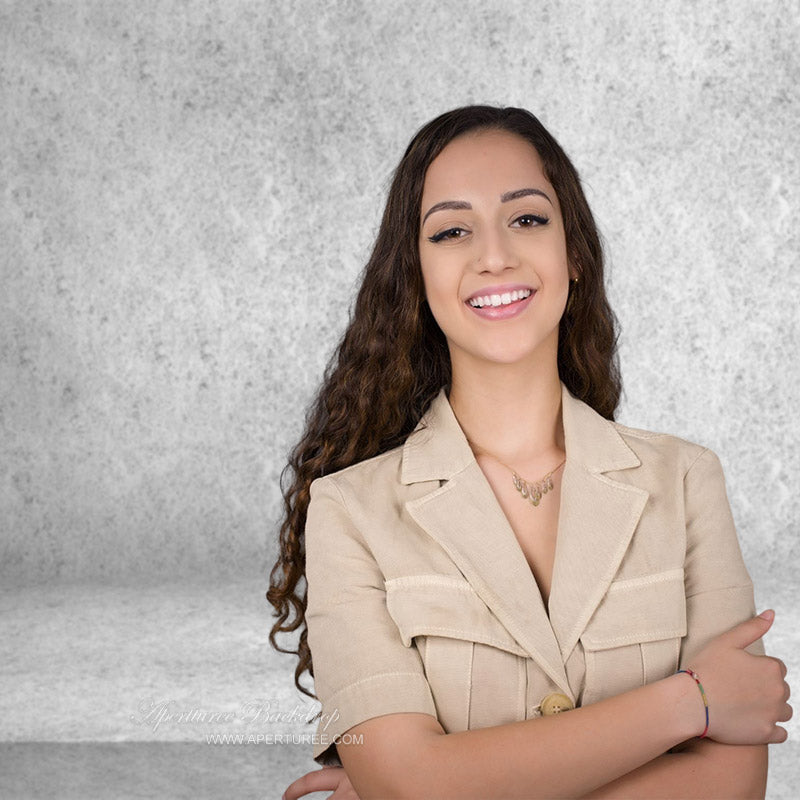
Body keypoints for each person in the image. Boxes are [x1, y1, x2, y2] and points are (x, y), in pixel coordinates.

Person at [268, 105, 791, 799]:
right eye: (452, 231)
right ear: (415, 277)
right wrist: (689, 703)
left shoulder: (688, 481)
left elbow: (731, 786)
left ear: (572, 251)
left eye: (527, 219)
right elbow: (408, 784)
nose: (494, 255)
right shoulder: (348, 512)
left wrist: (435, 785)